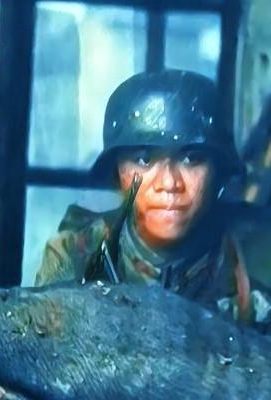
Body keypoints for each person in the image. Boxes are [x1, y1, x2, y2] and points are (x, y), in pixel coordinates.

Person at [35, 70, 271, 332]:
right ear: (118, 172)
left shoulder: (255, 263)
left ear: (218, 171)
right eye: (144, 160)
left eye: (191, 159)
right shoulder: (75, 256)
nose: (169, 183)